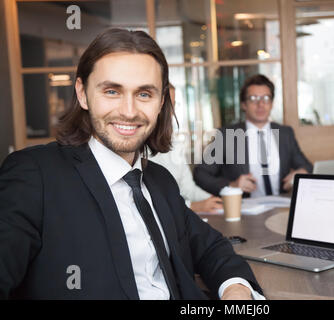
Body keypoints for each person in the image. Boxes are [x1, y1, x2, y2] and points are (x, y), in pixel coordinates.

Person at [0, 28, 263, 300]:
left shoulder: (159, 180)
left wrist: (236, 290)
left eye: (144, 94)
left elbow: (210, 247)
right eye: (112, 91)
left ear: (161, 101)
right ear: (82, 93)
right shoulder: (34, 175)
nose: (129, 111)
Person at [193, 74, 312, 198]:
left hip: (280, 205)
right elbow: (201, 174)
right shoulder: (226, 135)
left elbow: (307, 166)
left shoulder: (285, 134)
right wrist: (231, 185)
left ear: (271, 103)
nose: (260, 104)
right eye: (253, 98)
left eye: (266, 98)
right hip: (243, 209)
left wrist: (301, 173)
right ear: (244, 104)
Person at [150, 84, 223, 214]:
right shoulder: (136, 146)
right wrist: (192, 206)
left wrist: (213, 200)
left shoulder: (174, 143)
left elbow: (188, 189)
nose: (170, 112)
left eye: (173, 105)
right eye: (166, 105)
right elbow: (152, 198)